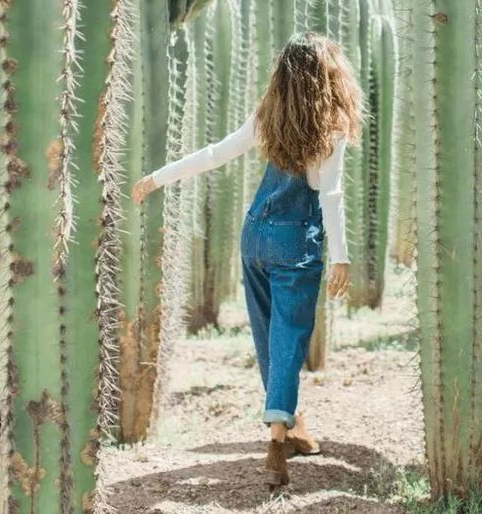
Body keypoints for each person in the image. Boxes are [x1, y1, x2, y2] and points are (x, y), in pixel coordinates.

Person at [132, 31, 365, 491]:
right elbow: (329, 193)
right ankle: (277, 439)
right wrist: (341, 257)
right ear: (329, 78)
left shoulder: (269, 117)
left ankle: (294, 425)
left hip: (255, 235)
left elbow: (215, 154)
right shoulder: (331, 127)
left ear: (283, 78)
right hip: (296, 243)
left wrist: (156, 178)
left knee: (268, 336)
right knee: (289, 340)